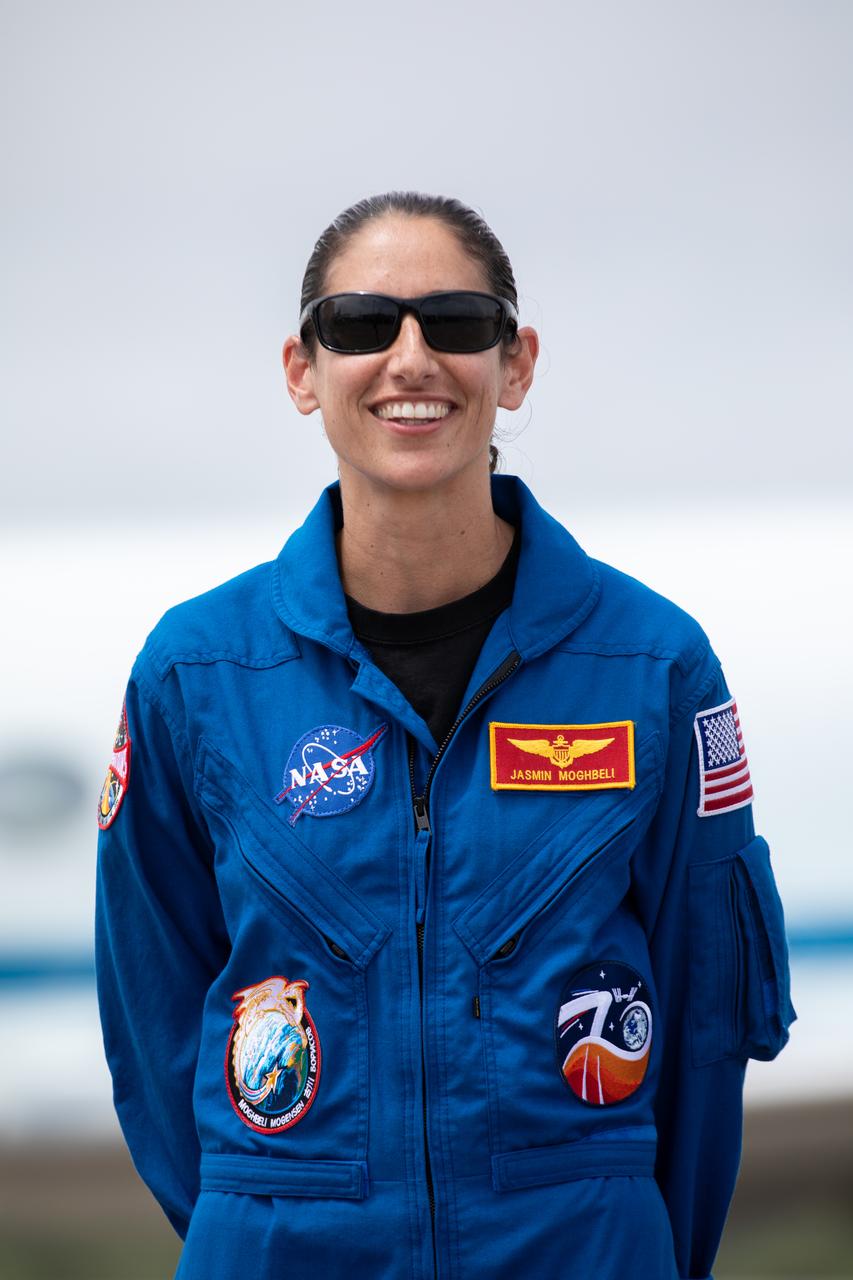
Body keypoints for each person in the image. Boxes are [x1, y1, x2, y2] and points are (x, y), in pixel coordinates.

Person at [95, 191, 795, 1280]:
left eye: (457, 323)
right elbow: (150, 1021)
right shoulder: (196, 673)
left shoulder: (653, 666)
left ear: (513, 365)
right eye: (362, 324)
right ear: (302, 369)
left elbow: (704, 1025)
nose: (410, 357)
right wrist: (272, 1206)